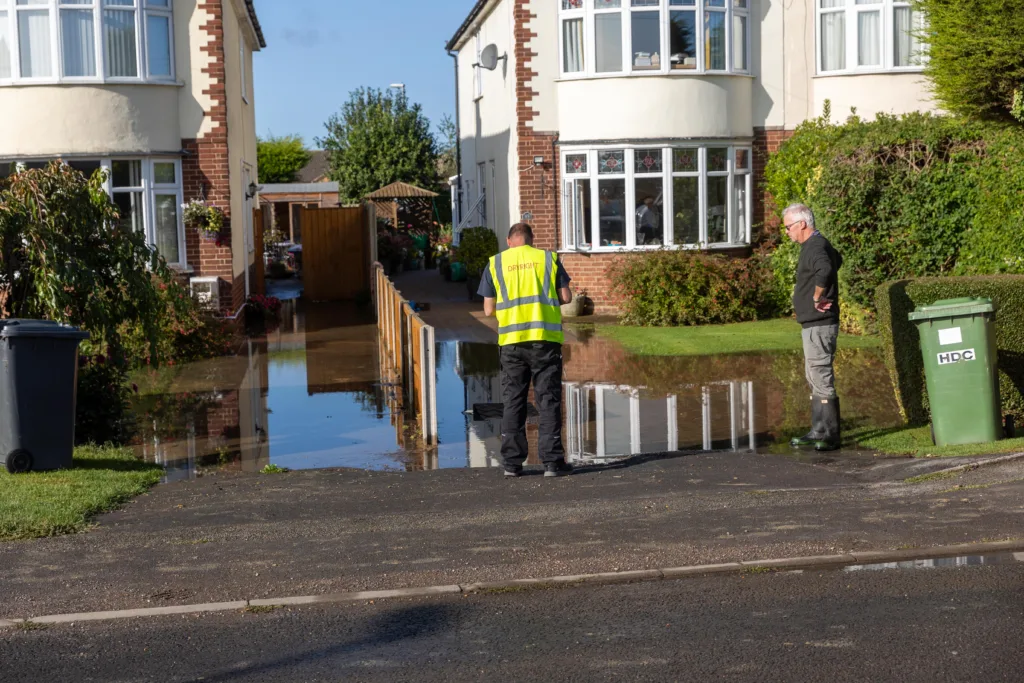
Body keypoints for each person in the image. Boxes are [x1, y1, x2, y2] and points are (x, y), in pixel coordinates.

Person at [479, 223, 575, 477]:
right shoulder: (548, 259)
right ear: (531, 241)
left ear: (509, 241)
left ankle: (512, 463)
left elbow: (488, 310)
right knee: (548, 400)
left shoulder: (496, 263)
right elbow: (566, 297)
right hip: (545, 340)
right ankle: (552, 463)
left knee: (513, 401)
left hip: (511, 343)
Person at [783, 204, 844, 452]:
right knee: (813, 375)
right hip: (812, 324)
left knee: (820, 374)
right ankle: (818, 429)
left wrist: (818, 296)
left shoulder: (816, 245)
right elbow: (837, 259)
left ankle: (829, 434)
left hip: (820, 324)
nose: (786, 232)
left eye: (788, 227)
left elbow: (827, 268)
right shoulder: (817, 245)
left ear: (802, 224)